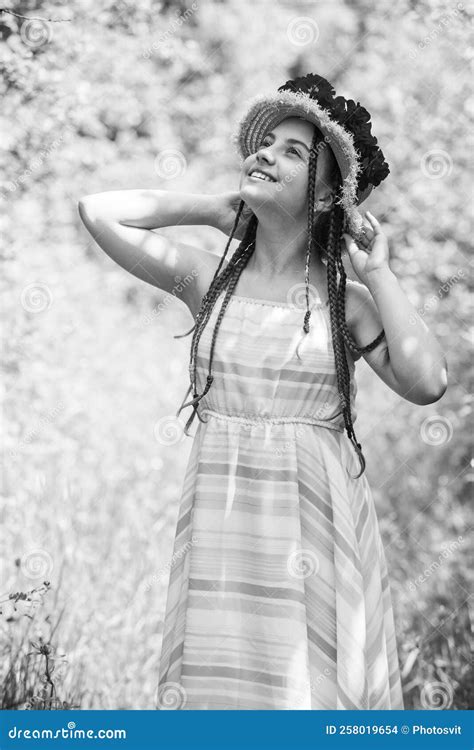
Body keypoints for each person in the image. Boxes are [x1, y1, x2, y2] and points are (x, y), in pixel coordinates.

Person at [78, 73, 447, 710]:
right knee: (221, 691)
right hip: (225, 531)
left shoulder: (348, 304)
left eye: (292, 152)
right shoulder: (207, 277)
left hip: (315, 531)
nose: (265, 155)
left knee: (307, 695)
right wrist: (211, 209)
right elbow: (96, 210)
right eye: (264, 143)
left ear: (330, 193)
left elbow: (427, 382)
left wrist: (379, 271)